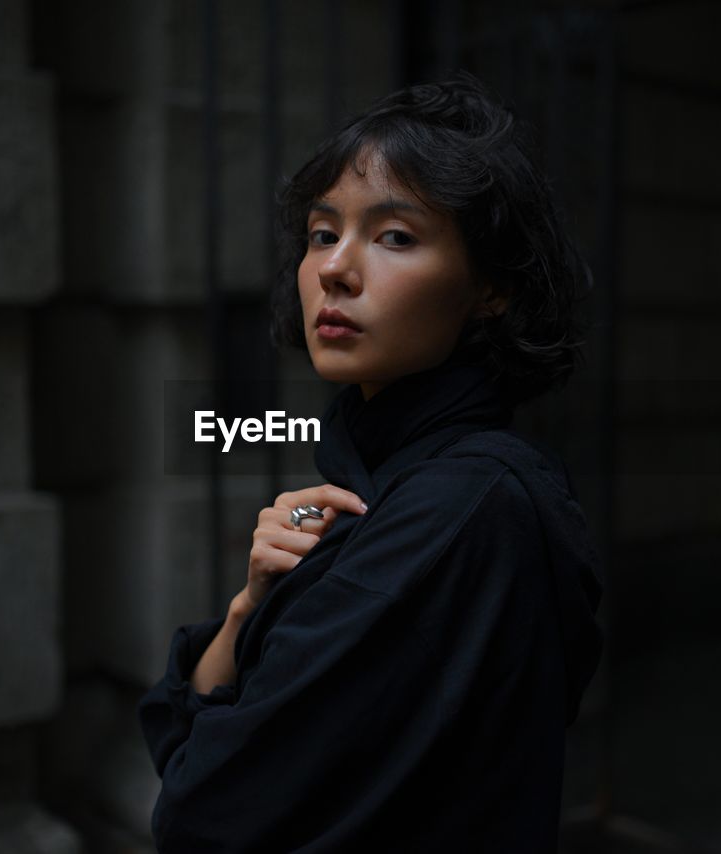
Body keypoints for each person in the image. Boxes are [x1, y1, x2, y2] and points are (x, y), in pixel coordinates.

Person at [139, 72, 603, 852]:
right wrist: (250, 607)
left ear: (490, 287)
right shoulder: (387, 482)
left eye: (394, 236)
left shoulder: (452, 514)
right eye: (324, 233)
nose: (334, 269)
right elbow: (183, 740)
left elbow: (197, 812)